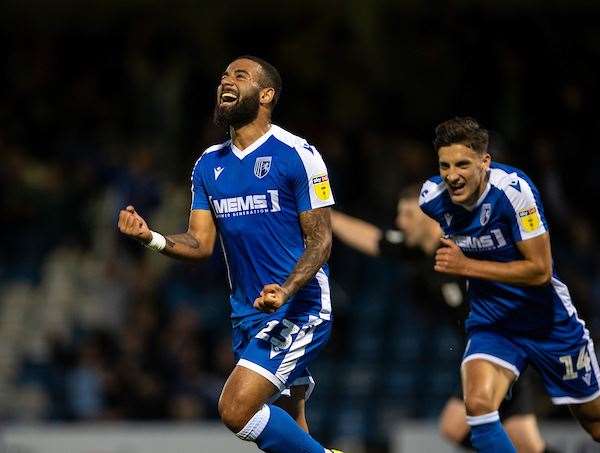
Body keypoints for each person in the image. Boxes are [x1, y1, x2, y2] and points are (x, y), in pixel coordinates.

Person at [118, 56, 342, 453]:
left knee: (236, 409)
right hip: (248, 314)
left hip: (298, 307)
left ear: (266, 94)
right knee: (292, 435)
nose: (226, 80)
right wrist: (150, 236)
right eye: (223, 75)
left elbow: (321, 241)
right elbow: (199, 243)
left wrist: (286, 291)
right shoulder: (208, 164)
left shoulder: (297, 154)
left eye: (240, 75)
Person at [419, 116, 600, 452]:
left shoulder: (515, 191)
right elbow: (418, 237)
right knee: (477, 405)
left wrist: (466, 265)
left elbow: (540, 271)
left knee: (593, 421)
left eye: (462, 164)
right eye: (444, 165)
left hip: (548, 323)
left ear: (485, 162)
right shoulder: (431, 198)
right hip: (494, 325)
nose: (452, 175)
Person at [331, 187, 551, 452]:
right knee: (528, 446)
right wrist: (326, 216)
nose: (400, 222)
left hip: (501, 348)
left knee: (453, 424)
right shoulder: (419, 250)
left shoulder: (463, 246)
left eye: (408, 214)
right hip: (498, 352)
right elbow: (374, 239)